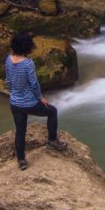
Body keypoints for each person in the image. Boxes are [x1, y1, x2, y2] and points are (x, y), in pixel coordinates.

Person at [6, 31, 67, 170]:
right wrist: (40, 98)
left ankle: (21, 160)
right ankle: (52, 141)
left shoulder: (8, 59)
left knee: (20, 131)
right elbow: (34, 84)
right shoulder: (28, 63)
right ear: (27, 47)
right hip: (29, 103)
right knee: (52, 111)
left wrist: (12, 93)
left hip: (15, 103)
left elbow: (8, 79)